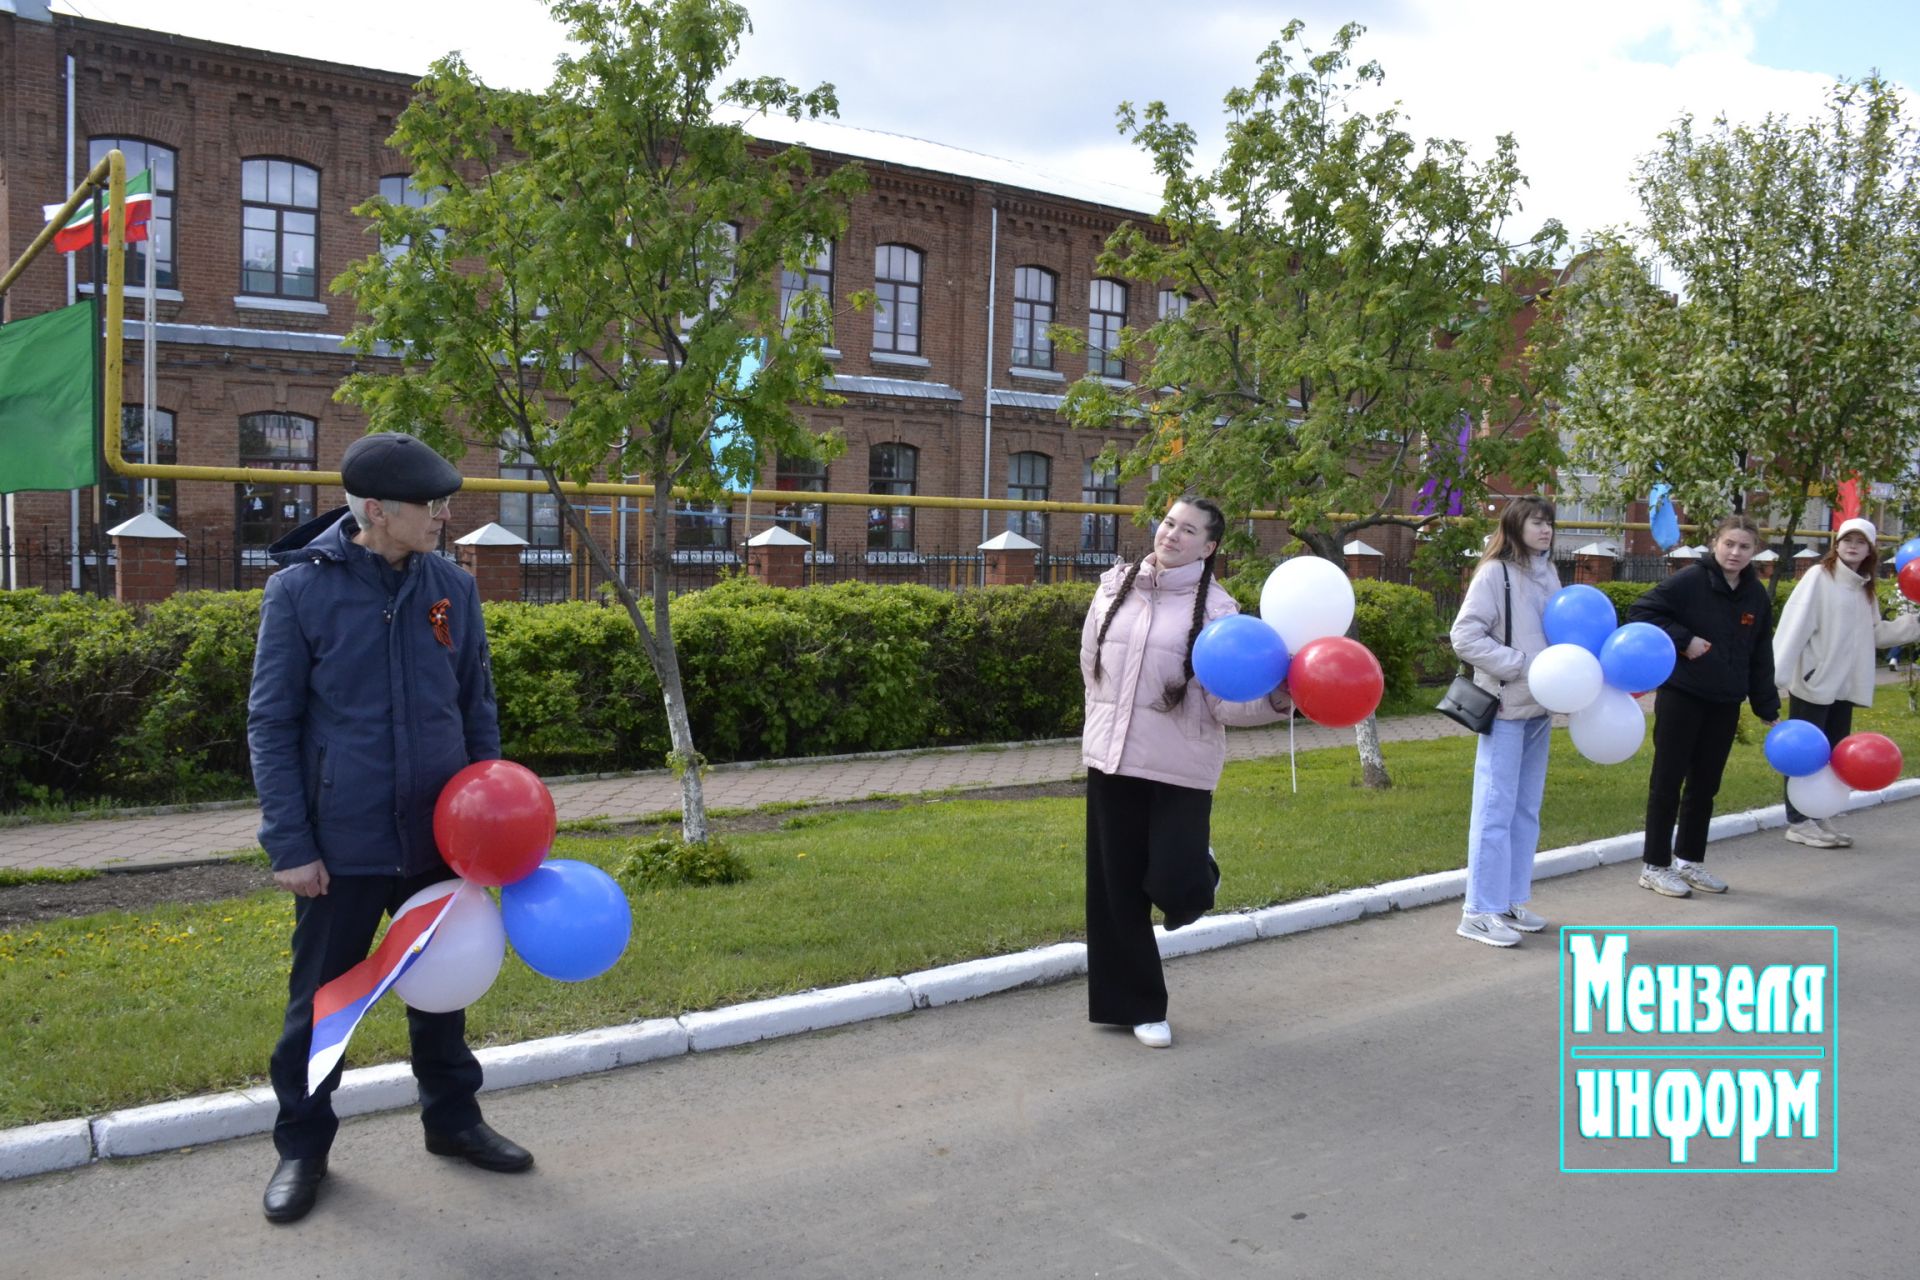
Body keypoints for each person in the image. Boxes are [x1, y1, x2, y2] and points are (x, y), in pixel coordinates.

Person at [248, 432, 532, 1225]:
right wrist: (292, 845)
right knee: (321, 1003)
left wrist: (490, 821)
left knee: (442, 995)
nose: (445, 516)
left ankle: (454, 1122)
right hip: (342, 846)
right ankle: (302, 1148)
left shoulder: (453, 587)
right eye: (430, 505)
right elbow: (271, 724)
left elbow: (477, 706)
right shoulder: (300, 593)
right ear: (375, 510)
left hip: (441, 841)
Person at [1080, 496, 1292, 1048]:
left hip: (1181, 765)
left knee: (1177, 884)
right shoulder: (1112, 588)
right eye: (1169, 523)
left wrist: (1277, 701)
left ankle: (1201, 872)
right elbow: (1091, 667)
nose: (1172, 535)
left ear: (1210, 546)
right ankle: (1136, 1005)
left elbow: (1225, 702)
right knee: (1115, 890)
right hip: (1113, 758)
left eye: (1188, 530)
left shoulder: (1219, 613)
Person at [1626, 513, 1780, 897]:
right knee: (1667, 782)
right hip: (1683, 697)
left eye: (1745, 546)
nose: (1735, 552)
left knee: (1705, 786)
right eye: (1729, 544)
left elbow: (1760, 652)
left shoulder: (1755, 594)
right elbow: (1642, 612)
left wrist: (1766, 706)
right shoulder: (1690, 581)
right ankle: (1655, 866)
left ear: (1755, 551)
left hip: (1724, 701)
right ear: (1715, 542)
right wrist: (1684, 639)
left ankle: (1690, 861)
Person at [1447, 496, 1563, 947]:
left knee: (1525, 809)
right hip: (1507, 705)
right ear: (1515, 526)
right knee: (1495, 810)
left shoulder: (1547, 571)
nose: (1545, 530)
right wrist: (1518, 664)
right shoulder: (1496, 573)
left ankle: (1509, 900)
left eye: (1549, 523)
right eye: (1537, 522)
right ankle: (1477, 910)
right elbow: (1465, 635)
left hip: (1541, 707)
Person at [1771, 517, 1920, 847]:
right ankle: (1797, 821)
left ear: (1869, 550)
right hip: (1814, 683)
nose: (1852, 545)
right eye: (1846, 539)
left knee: (1834, 754)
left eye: (1860, 541)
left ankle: (1817, 815)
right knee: (1805, 755)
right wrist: (1775, 677)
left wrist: (1913, 623)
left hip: (1844, 687)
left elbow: (1876, 632)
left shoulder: (1863, 587)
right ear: (1836, 544)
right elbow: (1794, 627)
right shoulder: (1818, 578)